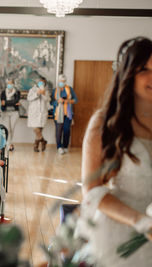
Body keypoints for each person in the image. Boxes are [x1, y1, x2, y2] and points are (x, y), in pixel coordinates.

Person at [77, 37, 152, 266]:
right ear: (127, 74)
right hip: (119, 233)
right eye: (144, 70)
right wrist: (140, 221)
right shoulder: (104, 122)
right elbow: (92, 190)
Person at [51, 74, 78, 154]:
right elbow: (51, 102)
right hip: (57, 113)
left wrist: (67, 101)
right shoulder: (55, 90)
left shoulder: (70, 89)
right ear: (58, 81)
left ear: (65, 82)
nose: (61, 83)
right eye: (60, 81)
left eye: (63, 82)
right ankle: (59, 147)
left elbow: (75, 100)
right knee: (58, 131)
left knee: (66, 130)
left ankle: (65, 146)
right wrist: (57, 102)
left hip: (68, 113)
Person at [27, 77, 50, 152]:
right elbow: (29, 98)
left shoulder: (46, 91)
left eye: (43, 83)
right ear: (37, 82)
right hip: (34, 113)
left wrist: (43, 93)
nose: (41, 84)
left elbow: (47, 100)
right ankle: (43, 141)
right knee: (36, 129)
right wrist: (37, 93)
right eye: (40, 82)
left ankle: (36, 146)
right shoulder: (32, 90)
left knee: (39, 131)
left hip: (42, 113)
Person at [0, 78, 21, 151]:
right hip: (5, 113)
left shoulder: (17, 92)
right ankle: (9, 145)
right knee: (7, 129)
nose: (9, 85)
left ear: (13, 84)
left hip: (14, 113)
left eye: (11, 83)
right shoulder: (3, 92)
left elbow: (16, 101)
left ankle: (9, 143)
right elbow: (2, 102)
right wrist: (12, 102)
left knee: (12, 129)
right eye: (8, 83)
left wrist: (6, 102)